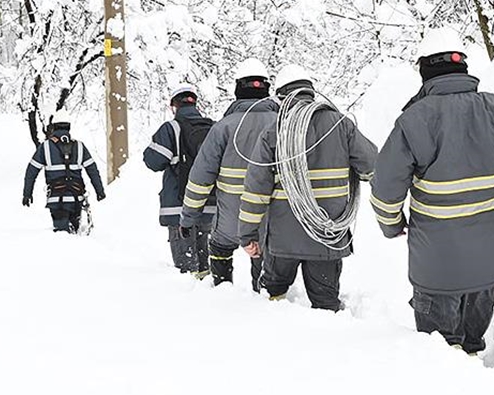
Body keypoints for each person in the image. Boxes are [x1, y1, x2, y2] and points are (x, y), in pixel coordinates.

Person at [370, 27, 494, 355]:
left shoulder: (413, 120)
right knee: (471, 341)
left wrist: (392, 225)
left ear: (424, 71)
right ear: (463, 67)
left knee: (439, 352)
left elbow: (385, 189)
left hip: (437, 267)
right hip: (492, 260)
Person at [238, 65, 377, 311]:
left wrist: (247, 235)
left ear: (281, 97)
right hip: (326, 238)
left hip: (282, 241)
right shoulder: (340, 125)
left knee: (274, 298)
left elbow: (256, 189)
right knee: (325, 304)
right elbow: (372, 167)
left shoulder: (274, 133)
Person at [180, 58, 277, 290]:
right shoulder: (283, 123)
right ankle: (262, 294)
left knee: (221, 248)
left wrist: (188, 217)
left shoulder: (223, 127)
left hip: (230, 218)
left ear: (237, 90)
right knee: (263, 256)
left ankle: (223, 292)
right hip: (272, 215)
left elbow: (200, 178)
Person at [143, 84, 216, 277]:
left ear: (174, 106)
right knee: (204, 263)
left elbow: (153, 161)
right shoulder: (213, 128)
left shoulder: (171, 128)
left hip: (179, 208)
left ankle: (189, 300)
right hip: (209, 205)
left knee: (186, 271)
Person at [23, 111, 106, 234]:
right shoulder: (80, 146)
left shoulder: (45, 147)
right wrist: (100, 191)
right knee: (74, 234)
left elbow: (31, 172)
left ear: (54, 127)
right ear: (69, 127)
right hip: (77, 198)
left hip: (57, 201)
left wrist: (27, 194)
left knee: (62, 237)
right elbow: (92, 170)